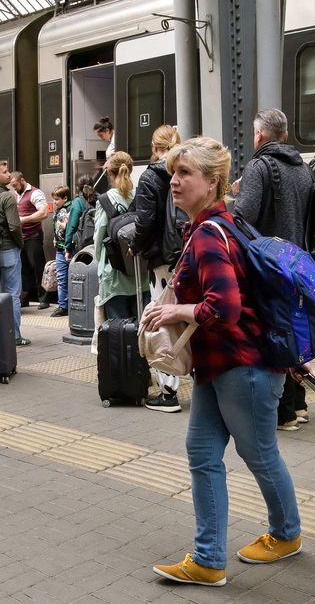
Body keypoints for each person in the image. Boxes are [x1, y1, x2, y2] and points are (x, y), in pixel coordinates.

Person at [142, 137, 302, 587]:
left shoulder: (210, 235)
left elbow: (225, 308)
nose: (174, 181)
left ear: (212, 182)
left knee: (260, 454)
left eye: (185, 173)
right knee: (202, 453)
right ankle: (210, 559)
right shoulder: (217, 225)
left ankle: (286, 533)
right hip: (220, 366)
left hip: (242, 366)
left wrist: (176, 311)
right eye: (173, 172)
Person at [234, 108, 315, 430]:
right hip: (300, 264)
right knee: (293, 334)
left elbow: (245, 216)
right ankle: (299, 405)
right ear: (284, 134)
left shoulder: (258, 166)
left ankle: (282, 414)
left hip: (270, 267)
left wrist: (236, 196)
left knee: (273, 336)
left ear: (260, 135)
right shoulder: (303, 169)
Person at [131, 125, 184, 413]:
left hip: (162, 260)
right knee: (189, 317)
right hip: (188, 255)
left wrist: (135, 246)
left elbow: (145, 221)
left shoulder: (151, 176)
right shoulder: (186, 168)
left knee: (161, 319)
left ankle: (168, 392)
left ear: (154, 146)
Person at [94, 151, 147, 320]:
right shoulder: (141, 194)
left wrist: (99, 262)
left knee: (118, 331)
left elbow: (98, 237)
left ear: (109, 172)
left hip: (114, 273)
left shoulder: (104, 200)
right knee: (142, 327)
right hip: (141, 273)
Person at [0, 160, 29, 346]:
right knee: (12, 295)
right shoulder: (7, 197)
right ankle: (15, 335)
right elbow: (14, 226)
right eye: (5, 171)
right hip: (8, 249)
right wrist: (20, 244)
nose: (9, 175)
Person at [9, 171, 50, 309]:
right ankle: (25, 298)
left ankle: (44, 298)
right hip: (20, 237)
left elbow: (43, 213)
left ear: (22, 180)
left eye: (15, 185)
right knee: (23, 269)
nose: (14, 188)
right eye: (12, 186)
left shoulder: (35, 193)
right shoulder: (15, 195)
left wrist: (23, 220)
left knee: (38, 267)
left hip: (33, 236)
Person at [49, 186, 71, 317]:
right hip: (60, 247)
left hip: (66, 248)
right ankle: (63, 304)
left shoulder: (69, 209)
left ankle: (64, 305)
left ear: (65, 198)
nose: (55, 202)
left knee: (63, 278)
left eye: (57, 199)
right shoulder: (58, 210)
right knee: (62, 277)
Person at [64, 174, 96, 257]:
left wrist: (68, 248)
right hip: (99, 243)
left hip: (83, 246)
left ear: (78, 187)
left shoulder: (78, 202)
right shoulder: (100, 198)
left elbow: (72, 226)